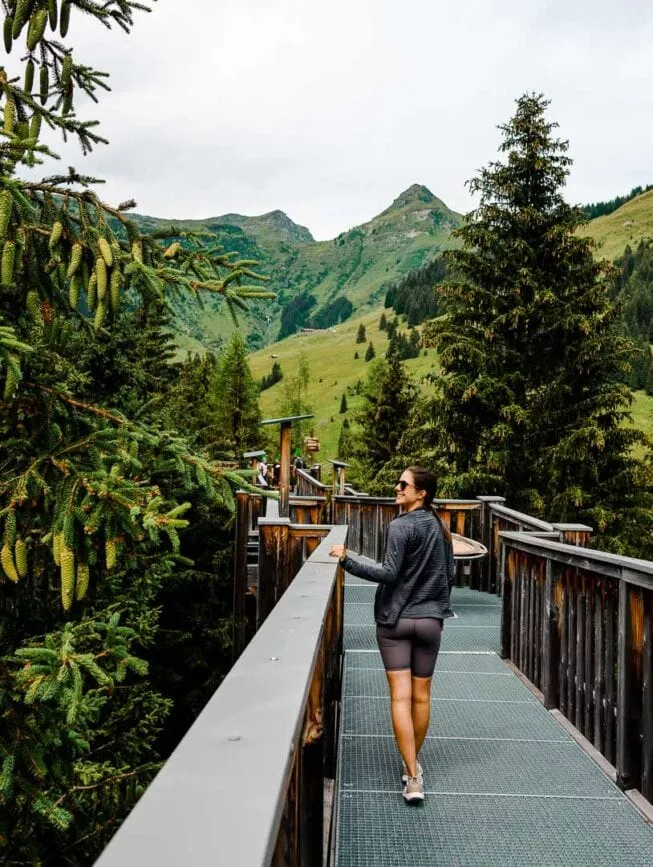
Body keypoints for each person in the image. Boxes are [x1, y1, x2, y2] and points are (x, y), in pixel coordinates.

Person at [329, 466, 454, 804]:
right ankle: (412, 763)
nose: (397, 487)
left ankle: (412, 776)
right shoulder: (441, 526)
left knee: (400, 697)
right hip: (430, 621)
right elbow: (449, 572)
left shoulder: (399, 526)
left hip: (395, 621)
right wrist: (438, 607)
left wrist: (347, 560)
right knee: (422, 697)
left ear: (421, 492)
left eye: (404, 484)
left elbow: (388, 574)